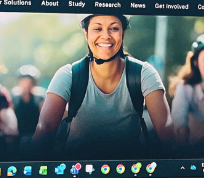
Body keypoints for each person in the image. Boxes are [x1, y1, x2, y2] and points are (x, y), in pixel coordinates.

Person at [34, 14, 172, 155]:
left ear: (123, 33)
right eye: (97, 29)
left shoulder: (144, 73)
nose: (105, 35)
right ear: (86, 34)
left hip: (129, 171)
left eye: (114, 28)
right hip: (77, 171)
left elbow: (165, 128)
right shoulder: (68, 75)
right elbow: (45, 128)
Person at [11, 65, 44, 137]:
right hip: (17, 136)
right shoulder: (14, 99)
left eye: (29, 82)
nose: (26, 85)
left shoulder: (39, 99)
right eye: (24, 81)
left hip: (35, 136)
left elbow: (44, 120)